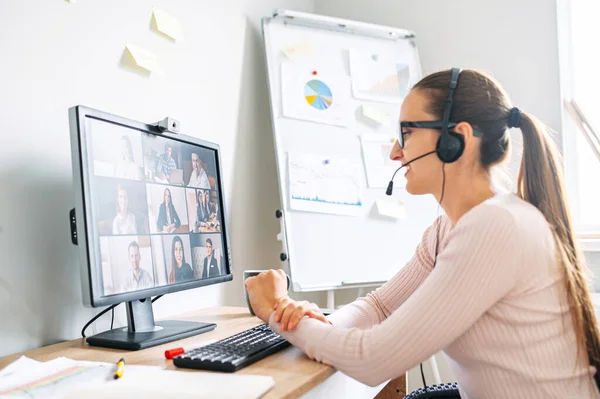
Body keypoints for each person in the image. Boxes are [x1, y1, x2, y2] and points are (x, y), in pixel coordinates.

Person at [245, 68, 600, 398]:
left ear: (456, 139)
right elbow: (380, 306)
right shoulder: (451, 227)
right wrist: (315, 321)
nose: (396, 152)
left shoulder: (496, 227)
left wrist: (275, 311)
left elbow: (373, 360)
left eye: (408, 132)